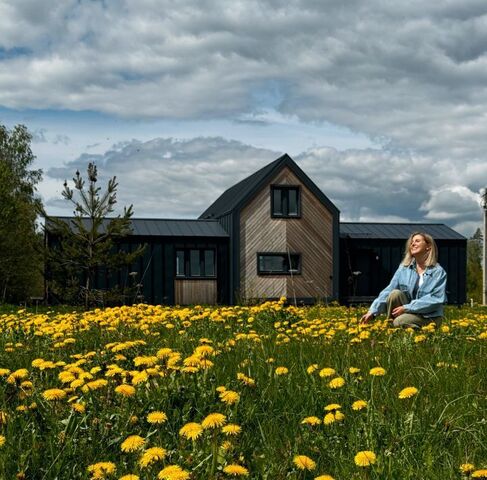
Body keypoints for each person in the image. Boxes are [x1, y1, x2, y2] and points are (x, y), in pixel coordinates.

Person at [360, 232, 447, 328]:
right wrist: (372, 311)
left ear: (428, 246)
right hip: (408, 311)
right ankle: (392, 327)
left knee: (399, 321)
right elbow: (389, 290)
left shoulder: (438, 272)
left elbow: (435, 299)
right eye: (411, 242)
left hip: (429, 316)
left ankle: (418, 335)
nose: (412, 244)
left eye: (417, 241)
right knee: (394, 294)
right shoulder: (403, 268)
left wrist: (406, 308)